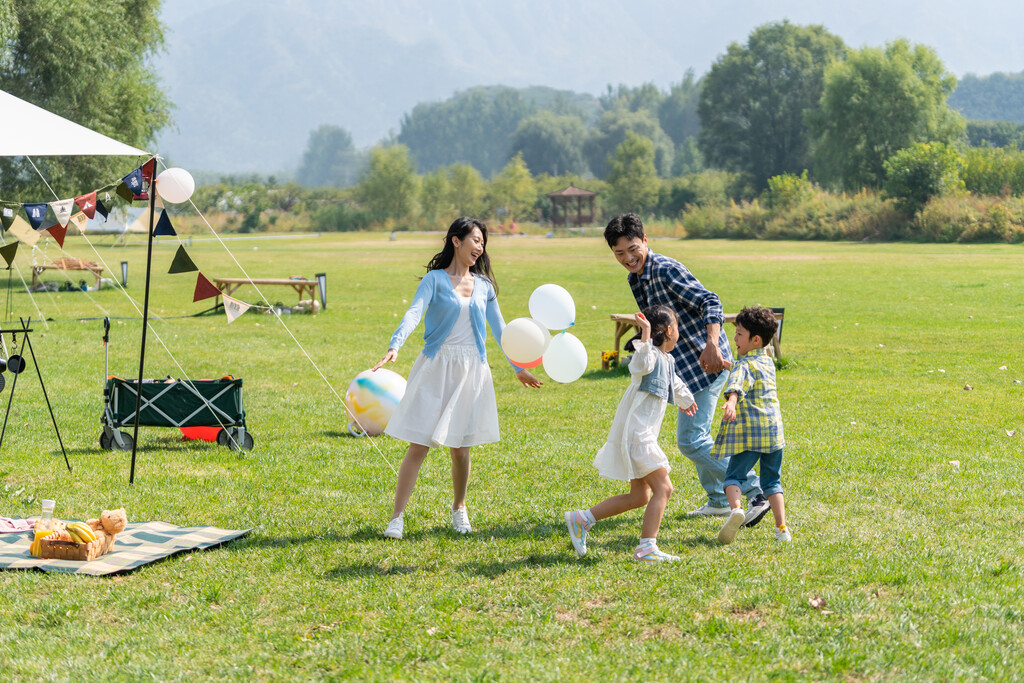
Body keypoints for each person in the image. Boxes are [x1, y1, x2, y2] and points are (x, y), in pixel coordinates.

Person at [374, 217, 542, 540]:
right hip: (436, 366)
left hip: (471, 370)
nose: (479, 247)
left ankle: (459, 508)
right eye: (475, 240)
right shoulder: (435, 280)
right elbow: (414, 312)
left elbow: (501, 330)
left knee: (461, 448)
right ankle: (397, 518)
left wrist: (517, 366)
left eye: (483, 242)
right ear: (456, 240)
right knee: (418, 445)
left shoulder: (485, 288)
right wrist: (395, 345)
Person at [603, 213, 770, 526]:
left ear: (645, 241)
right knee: (697, 436)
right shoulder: (635, 278)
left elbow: (711, 301)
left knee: (691, 441)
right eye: (619, 253)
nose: (628, 258)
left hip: (706, 363)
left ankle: (755, 491)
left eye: (633, 249)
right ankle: (719, 500)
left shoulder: (665, 269)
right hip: (681, 370)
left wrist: (711, 343)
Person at [565, 306, 697, 562]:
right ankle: (647, 548)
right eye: (677, 326)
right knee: (664, 488)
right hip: (638, 436)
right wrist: (645, 334)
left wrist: (686, 399)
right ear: (670, 331)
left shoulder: (666, 359)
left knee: (640, 495)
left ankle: (582, 519)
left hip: (641, 436)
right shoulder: (647, 357)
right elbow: (640, 365)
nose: (678, 331)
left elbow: (674, 383)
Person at [714, 306, 789, 543]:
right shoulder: (767, 362)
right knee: (772, 482)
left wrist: (731, 402)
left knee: (732, 478)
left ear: (755, 339)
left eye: (738, 334)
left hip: (752, 437)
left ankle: (736, 509)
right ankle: (782, 529)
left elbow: (737, 384)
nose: (734, 338)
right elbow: (742, 371)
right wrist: (727, 364)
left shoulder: (744, 365)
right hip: (774, 435)